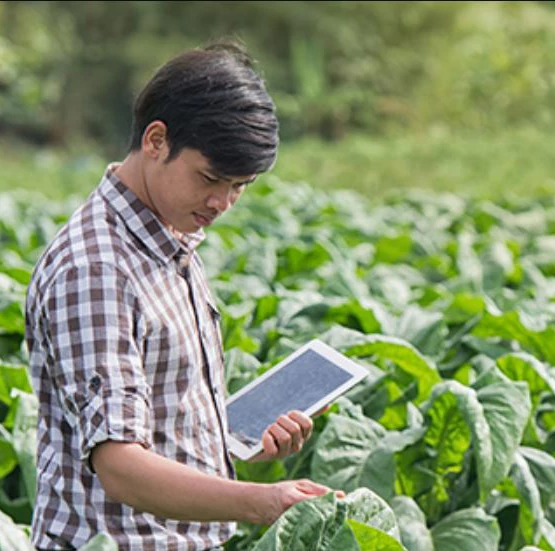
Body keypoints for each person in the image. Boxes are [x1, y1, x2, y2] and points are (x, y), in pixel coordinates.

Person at [24, 39, 340, 551]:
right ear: (155, 140)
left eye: (241, 186)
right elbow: (121, 466)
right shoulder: (98, 269)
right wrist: (262, 501)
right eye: (211, 178)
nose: (222, 202)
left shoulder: (168, 237)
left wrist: (239, 443)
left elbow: (161, 419)